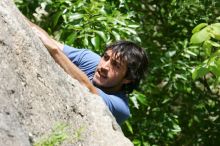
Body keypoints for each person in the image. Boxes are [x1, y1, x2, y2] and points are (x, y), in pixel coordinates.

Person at [27, 20, 149, 125]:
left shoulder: (120, 108)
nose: (104, 66)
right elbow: (51, 42)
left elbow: (88, 90)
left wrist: (54, 51)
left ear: (127, 79)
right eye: (105, 57)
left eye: (116, 65)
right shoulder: (92, 61)